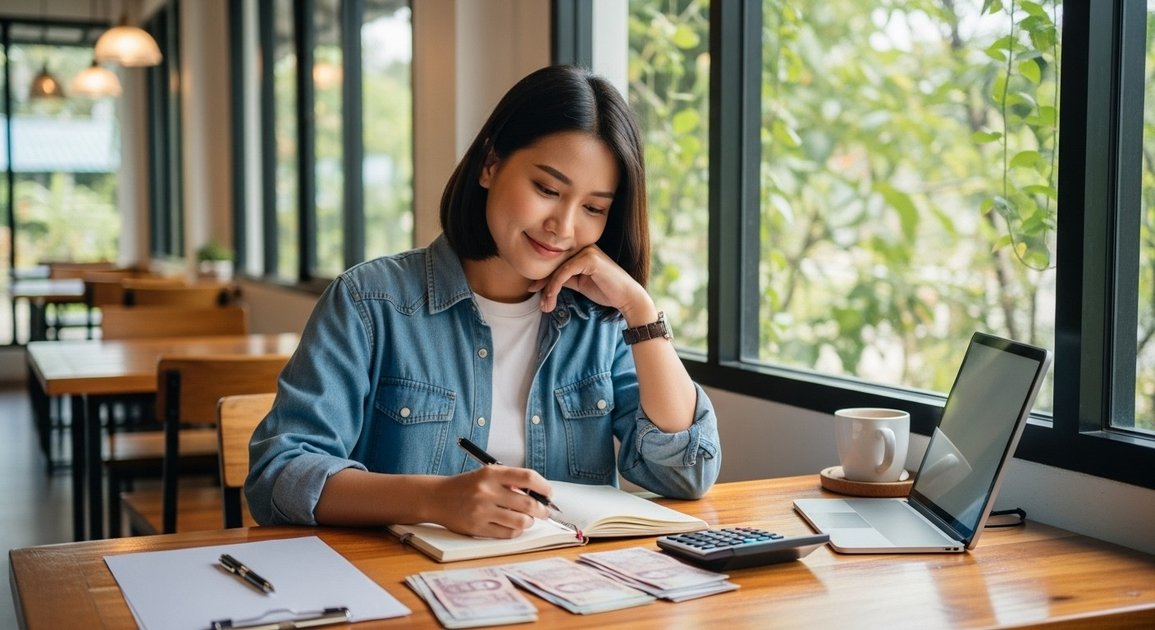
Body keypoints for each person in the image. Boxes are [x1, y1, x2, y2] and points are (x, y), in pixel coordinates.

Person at [245, 64, 721, 539]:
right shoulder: (371, 303)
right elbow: (278, 476)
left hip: (570, 589)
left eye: (594, 208)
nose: (564, 226)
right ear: (491, 165)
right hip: (407, 590)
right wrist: (434, 499)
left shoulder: (599, 320)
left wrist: (640, 311)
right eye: (548, 190)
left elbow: (684, 473)